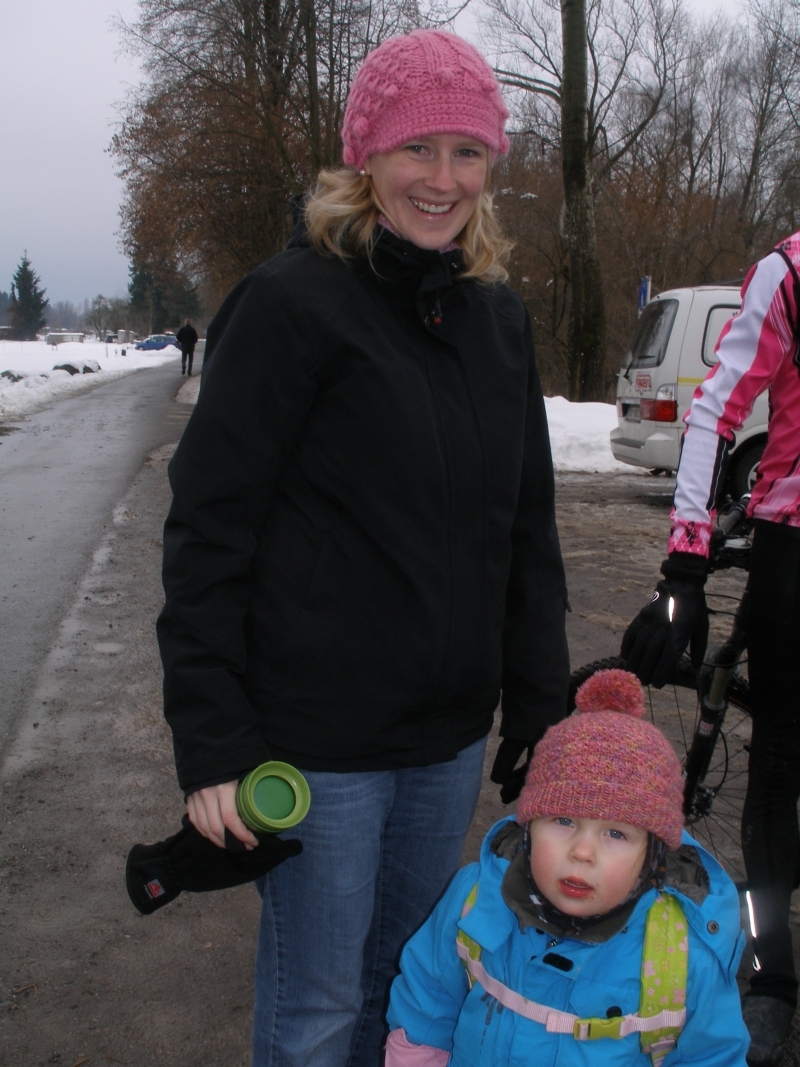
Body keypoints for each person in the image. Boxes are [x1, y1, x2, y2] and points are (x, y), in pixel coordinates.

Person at [156, 28, 570, 1067]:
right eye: (416, 148)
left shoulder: (498, 318)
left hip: (445, 740)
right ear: (366, 155)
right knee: (318, 1007)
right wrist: (213, 740)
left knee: (410, 996)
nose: (442, 178)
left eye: (466, 152)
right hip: (318, 744)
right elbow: (209, 531)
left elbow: (524, 525)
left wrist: (538, 704)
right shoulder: (290, 303)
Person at [622, 230, 800, 1066]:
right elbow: (715, 409)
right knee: (780, 763)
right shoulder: (791, 272)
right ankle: (775, 972)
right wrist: (686, 566)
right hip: (795, 543)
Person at [385, 668, 749, 1067]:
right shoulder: (474, 899)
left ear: (653, 856)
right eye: (563, 821)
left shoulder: (682, 955)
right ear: (528, 828)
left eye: (616, 833)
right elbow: (427, 1000)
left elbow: (713, 1056)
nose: (583, 851)